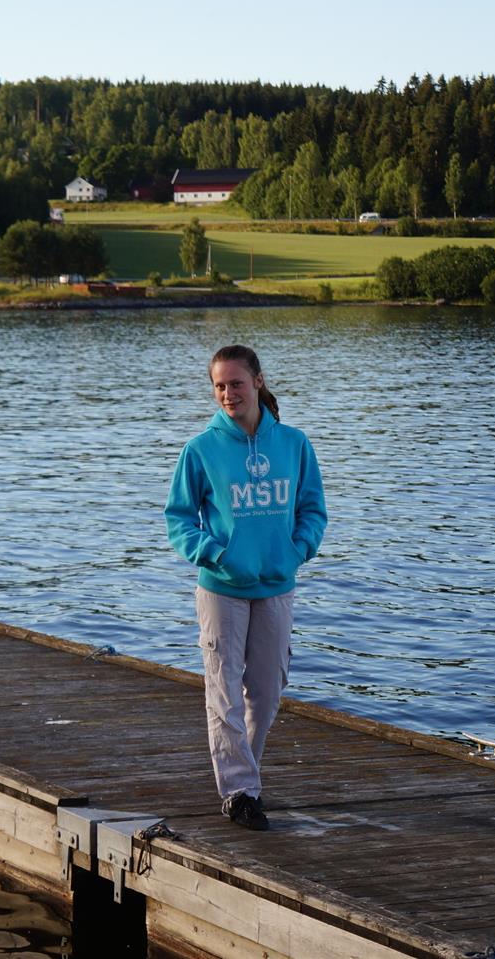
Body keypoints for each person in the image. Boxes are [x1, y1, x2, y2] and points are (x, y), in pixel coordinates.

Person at [164, 345, 327, 831]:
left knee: (268, 689)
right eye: (219, 386)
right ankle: (240, 792)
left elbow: (312, 509)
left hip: (277, 583)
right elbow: (179, 520)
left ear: (258, 381)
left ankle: (246, 776)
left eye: (236, 383)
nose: (228, 394)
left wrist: (297, 549)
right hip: (222, 588)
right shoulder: (200, 450)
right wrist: (214, 553)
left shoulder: (294, 444)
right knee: (223, 690)